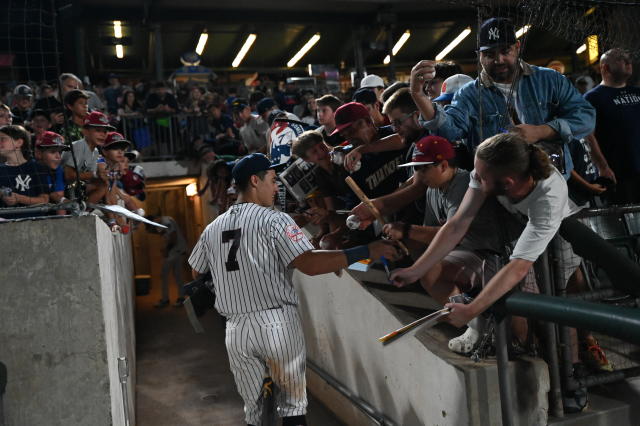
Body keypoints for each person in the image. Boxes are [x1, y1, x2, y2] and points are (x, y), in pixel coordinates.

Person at [188, 153, 399, 426]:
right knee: (292, 409)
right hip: (276, 325)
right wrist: (366, 250)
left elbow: (196, 271)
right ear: (255, 181)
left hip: (237, 330)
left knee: (254, 414)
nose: (277, 188)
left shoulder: (213, 227)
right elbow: (309, 264)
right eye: (273, 180)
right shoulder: (276, 220)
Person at [391, 133, 640, 329]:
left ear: (508, 182)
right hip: (517, 229)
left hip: (560, 227)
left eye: (481, 178)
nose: (475, 179)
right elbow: (457, 224)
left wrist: (472, 309)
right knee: (524, 303)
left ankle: (578, 356)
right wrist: (416, 270)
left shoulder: (548, 197)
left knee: (561, 299)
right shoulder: (489, 169)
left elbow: (518, 266)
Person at [410, 17, 595, 175]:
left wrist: (542, 131)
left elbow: (586, 117)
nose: (498, 60)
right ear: (479, 56)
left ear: (517, 47)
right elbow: (448, 132)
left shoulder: (550, 80)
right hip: (498, 191)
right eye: (489, 54)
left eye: (505, 51)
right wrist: (419, 96)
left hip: (552, 183)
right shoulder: (468, 95)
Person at [584, 48, 640, 204]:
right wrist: (602, 166)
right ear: (605, 67)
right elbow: (588, 136)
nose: (628, 62)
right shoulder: (592, 98)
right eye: (620, 59)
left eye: (628, 59)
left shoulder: (637, 92)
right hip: (618, 175)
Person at [61, 111, 114, 203]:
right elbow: (68, 176)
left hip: (77, 189)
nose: (103, 134)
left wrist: (104, 175)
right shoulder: (78, 146)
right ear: (85, 131)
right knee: (103, 186)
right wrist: (95, 174)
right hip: (62, 191)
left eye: (105, 131)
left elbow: (91, 177)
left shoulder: (95, 151)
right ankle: (83, 214)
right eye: (98, 130)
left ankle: (111, 216)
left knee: (105, 183)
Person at [0, 125, 49, 218]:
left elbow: (44, 200)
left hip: (34, 223)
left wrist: (19, 198)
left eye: (3, 139)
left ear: (19, 142)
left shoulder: (36, 168)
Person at [148, 214, 189, 308]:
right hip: (177, 250)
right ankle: (181, 298)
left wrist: (167, 249)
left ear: (155, 219)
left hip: (175, 251)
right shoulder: (165, 221)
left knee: (164, 274)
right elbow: (167, 235)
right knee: (177, 275)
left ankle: (165, 299)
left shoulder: (167, 222)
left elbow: (173, 237)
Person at [34, 131, 69, 205]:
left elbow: (58, 196)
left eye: (60, 152)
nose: (58, 157)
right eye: (53, 152)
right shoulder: (31, 168)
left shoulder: (58, 170)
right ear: (38, 153)